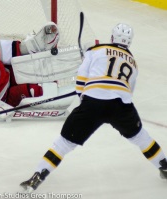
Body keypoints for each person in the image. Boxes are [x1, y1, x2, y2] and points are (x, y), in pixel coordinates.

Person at [19, 23, 167, 192]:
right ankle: (165, 167)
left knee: (64, 143)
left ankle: (37, 177)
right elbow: (128, 90)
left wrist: (85, 100)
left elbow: (81, 80)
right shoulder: (133, 62)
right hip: (121, 106)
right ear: (129, 42)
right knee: (141, 137)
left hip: (93, 102)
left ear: (112, 38)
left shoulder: (96, 50)